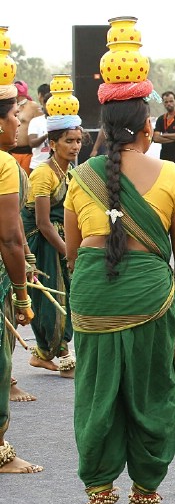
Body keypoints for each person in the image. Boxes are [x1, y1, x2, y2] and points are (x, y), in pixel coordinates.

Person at [65, 67, 175, 504]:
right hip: (150, 300)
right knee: (152, 394)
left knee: (96, 395)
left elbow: (74, 250)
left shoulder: (80, 176)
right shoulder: (171, 176)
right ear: (147, 128)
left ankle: (101, 503)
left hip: (91, 300)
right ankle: (145, 502)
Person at [0, 85, 43, 473]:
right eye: (15, 115)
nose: (19, 122)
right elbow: (10, 235)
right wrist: (22, 296)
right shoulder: (4, 164)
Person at [23, 114, 81, 377]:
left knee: (66, 294)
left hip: (60, 240)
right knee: (52, 298)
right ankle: (64, 356)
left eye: (79, 141)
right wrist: (68, 252)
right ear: (53, 143)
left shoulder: (69, 172)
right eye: (69, 141)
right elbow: (43, 223)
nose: (75, 146)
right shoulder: (43, 174)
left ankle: (44, 354)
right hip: (42, 241)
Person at [153, 91, 175, 178]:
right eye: (166, 102)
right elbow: (156, 138)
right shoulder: (161, 119)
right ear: (163, 103)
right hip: (165, 161)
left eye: (171, 101)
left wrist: (165, 135)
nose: (169, 104)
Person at [12, 80, 42, 172]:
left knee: (25, 181)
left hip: (27, 153)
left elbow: (41, 126)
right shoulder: (10, 106)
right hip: (11, 151)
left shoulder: (33, 106)